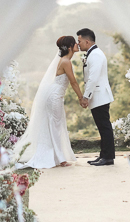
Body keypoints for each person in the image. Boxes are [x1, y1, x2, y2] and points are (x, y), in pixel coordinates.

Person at [13, 36, 83, 168]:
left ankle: (57, 157)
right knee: (56, 125)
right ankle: (61, 159)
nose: (77, 45)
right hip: (54, 97)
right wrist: (81, 98)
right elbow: (73, 82)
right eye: (75, 43)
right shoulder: (66, 61)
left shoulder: (65, 60)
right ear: (69, 47)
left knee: (56, 125)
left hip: (56, 96)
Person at [76, 28, 115, 166]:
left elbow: (93, 78)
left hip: (100, 96)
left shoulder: (96, 55)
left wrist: (85, 97)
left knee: (104, 127)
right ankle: (103, 155)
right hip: (97, 96)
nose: (78, 44)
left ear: (87, 41)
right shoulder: (92, 54)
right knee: (102, 127)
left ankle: (108, 157)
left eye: (79, 41)